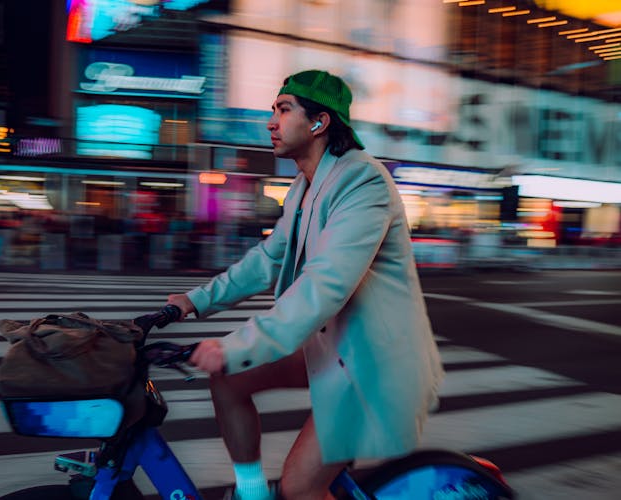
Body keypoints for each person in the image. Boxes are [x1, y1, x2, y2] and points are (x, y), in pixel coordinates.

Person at [167, 69, 444, 500]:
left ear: (319, 122)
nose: (271, 122)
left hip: (373, 363)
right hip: (334, 349)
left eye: (283, 109)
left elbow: (325, 285)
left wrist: (234, 344)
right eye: (272, 111)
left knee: (299, 488)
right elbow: (269, 259)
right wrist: (192, 302)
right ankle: (252, 492)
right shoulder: (302, 187)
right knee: (227, 378)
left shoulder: (362, 182)